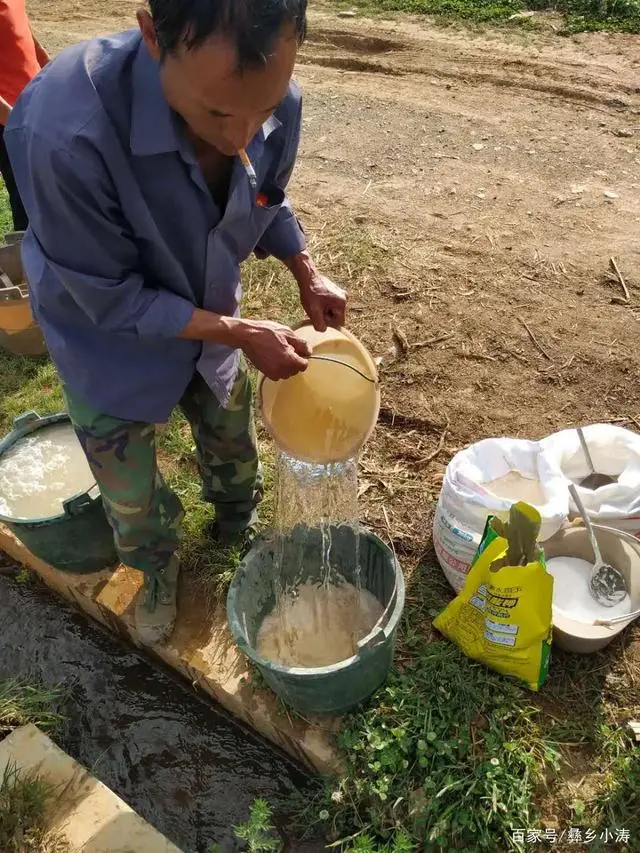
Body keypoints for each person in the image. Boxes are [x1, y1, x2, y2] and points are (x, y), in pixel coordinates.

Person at [5, 0, 347, 644]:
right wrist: (240, 334)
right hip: (108, 347)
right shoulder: (64, 132)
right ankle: (153, 568)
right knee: (129, 490)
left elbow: (265, 194)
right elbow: (107, 297)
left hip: (212, 317)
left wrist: (305, 268)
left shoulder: (276, 100)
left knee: (230, 435)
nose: (243, 134)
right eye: (217, 113)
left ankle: (234, 519)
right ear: (152, 36)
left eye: (263, 110)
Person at [0, 0, 48, 231]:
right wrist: (12, 120)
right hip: (6, 115)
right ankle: (26, 260)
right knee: (26, 197)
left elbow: (19, 25)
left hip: (28, 103)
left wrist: (46, 61)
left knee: (37, 191)